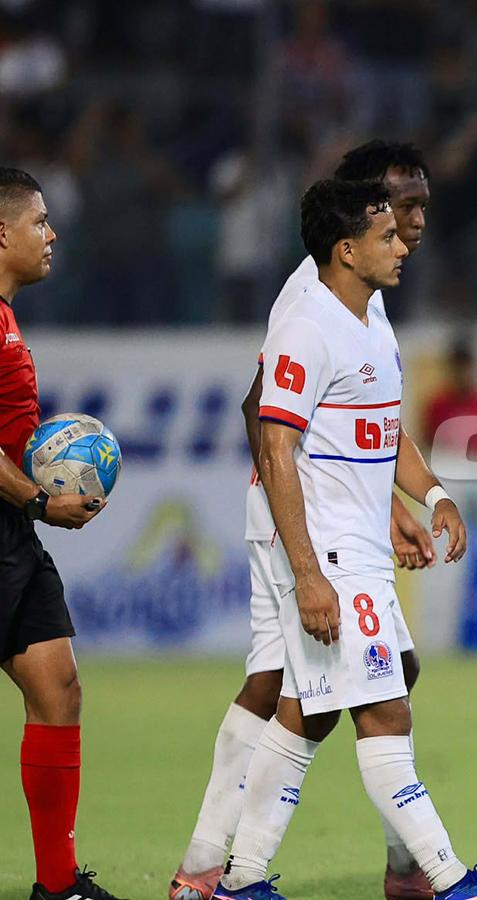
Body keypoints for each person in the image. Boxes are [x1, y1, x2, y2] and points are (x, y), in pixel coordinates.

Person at [211, 178, 477, 900]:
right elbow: (274, 447)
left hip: (361, 548)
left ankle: (239, 879)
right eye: (387, 235)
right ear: (346, 249)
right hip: (330, 551)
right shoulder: (307, 327)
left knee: (310, 710)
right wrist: (307, 573)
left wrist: (435, 496)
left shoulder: (372, 322)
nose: (403, 246)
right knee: (385, 709)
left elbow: (383, 433)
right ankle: (444, 879)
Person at [171, 142, 446, 900]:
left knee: (358, 678)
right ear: (358, 219)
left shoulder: (367, 292)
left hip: (323, 512)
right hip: (294, 519)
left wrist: (390, 503)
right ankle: (217, 869)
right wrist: (312, 546)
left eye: (420, 207)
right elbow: (260, 413)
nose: (415, 222)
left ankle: (214, 869)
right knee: (299, 686)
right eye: (402, 206)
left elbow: (358, 418)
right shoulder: (310, 297)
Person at [0, 167, 123, 900]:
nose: (52, 234)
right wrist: (41, 501)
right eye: (39, 221)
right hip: (16, 517)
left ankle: (56, 888)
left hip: (10, 529)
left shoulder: (7, 319)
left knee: (59, 689)